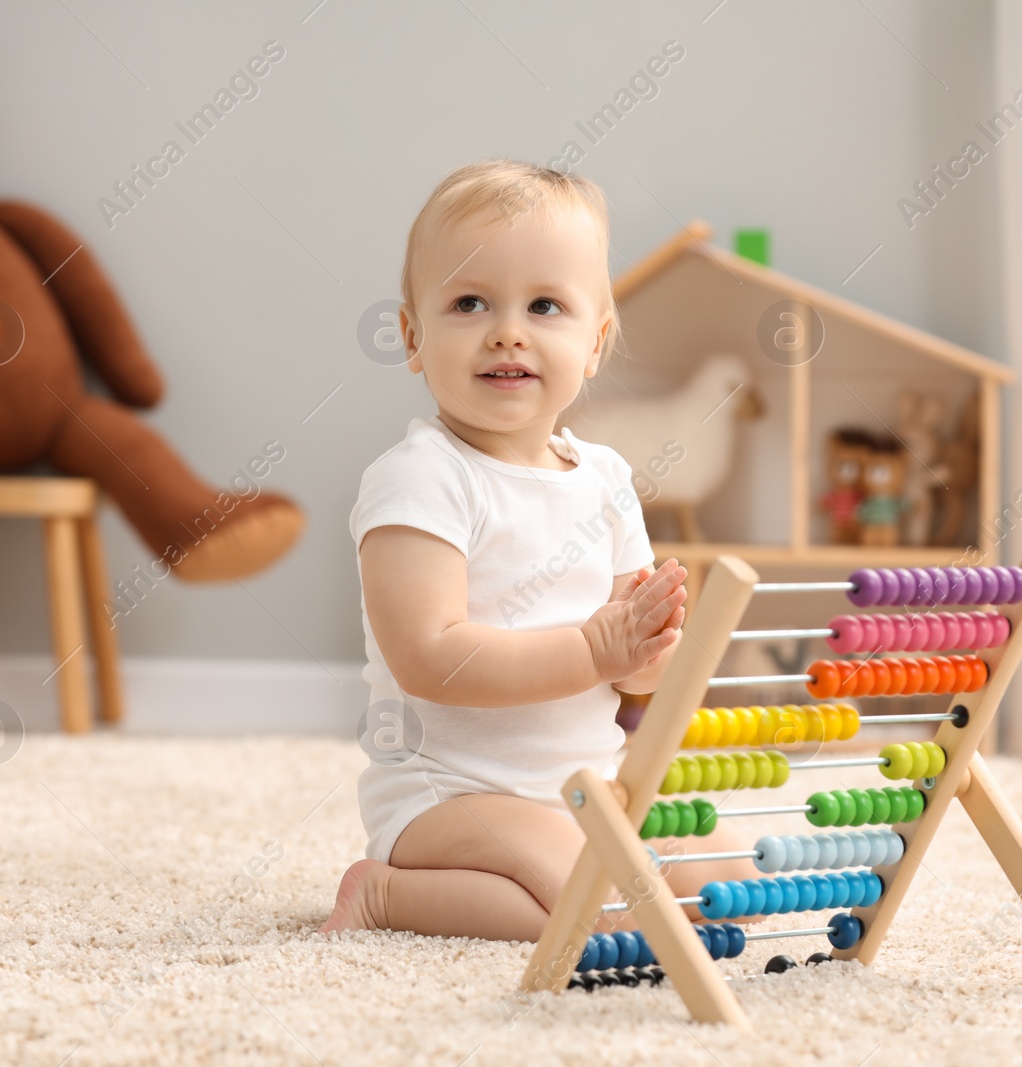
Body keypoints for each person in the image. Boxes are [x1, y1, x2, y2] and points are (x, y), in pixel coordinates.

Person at [321, 160, 758, 941]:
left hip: (590, 785)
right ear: (413, 336)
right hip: (450, 796)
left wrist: (644, 648)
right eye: (468, 302)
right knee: (609, 905)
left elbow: (636, 675)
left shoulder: (607, 477)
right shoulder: (418, 481)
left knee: (733, 880)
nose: (507, 330)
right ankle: (386, 892)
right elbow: (432, 659)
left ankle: (600, 869)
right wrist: (593, 647)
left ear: (595, 343)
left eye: (545, 304)